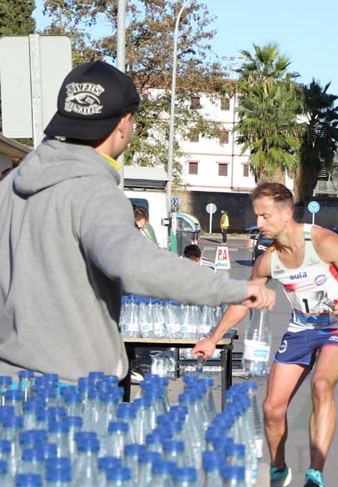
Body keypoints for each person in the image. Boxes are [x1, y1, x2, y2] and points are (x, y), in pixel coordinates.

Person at [0, 60, 274, 384]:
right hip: (71, 392)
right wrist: (232, 289)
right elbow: (135, 263)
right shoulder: (95, 193)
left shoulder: (9, 186)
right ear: (124, 123)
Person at [192, 182, 338, 487]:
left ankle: (316, 474)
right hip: (300, 329)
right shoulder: (269, 260)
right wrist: (213, 337)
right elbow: (245, 299)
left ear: (286, 214)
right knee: (271, 409)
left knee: (322, 385)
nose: (259, 223)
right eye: (257, 216)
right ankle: (278, 468)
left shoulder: (321, 242)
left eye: (265, 216)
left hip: (337, 325)